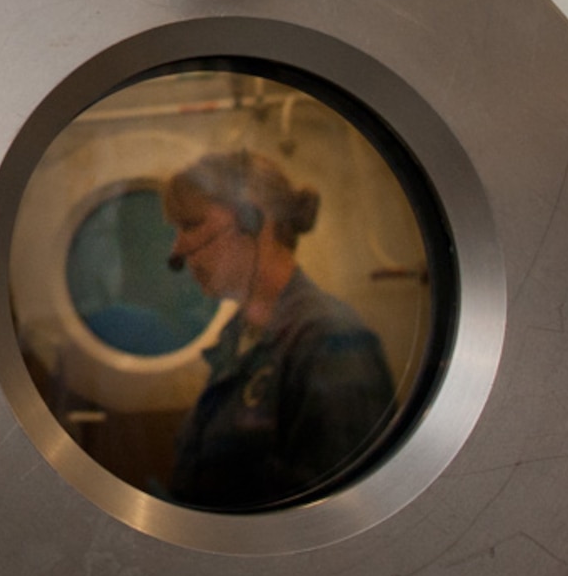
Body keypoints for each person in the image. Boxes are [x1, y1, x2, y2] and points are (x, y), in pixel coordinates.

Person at [161, 149, 397, 511]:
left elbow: (340, 514)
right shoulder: (238, 337)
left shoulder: (331, 342)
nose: (178, 249)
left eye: (192, 225)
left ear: (253, 221)